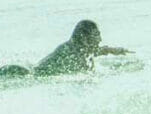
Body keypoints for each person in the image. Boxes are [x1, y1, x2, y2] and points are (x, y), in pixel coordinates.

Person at [1, 20, 131, 78]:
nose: (100, 39)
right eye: (96, 35)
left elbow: (93, 52)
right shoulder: (75, 53)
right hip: (25, 74)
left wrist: (111, 50)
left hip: (28, 71)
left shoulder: (78, 48)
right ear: (84, 37)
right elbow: (88, 75)